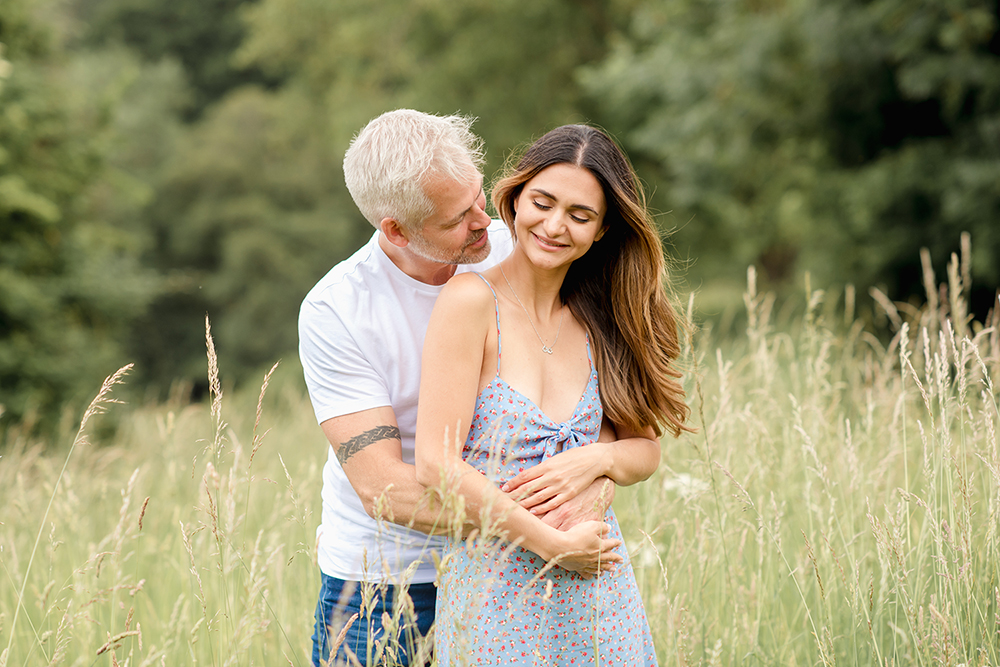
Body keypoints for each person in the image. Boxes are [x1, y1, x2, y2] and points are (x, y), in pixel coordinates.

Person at [299, 111, 627, 667]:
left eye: (479, 196)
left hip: (513, 575)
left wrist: (594, 470)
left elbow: (592, 394)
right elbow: (385, 490)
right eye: (458, 218)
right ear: (397, 229)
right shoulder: (338, 310)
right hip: (388, 589)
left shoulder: (519, 244)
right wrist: (544, 530)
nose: (484, 222)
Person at [414, 124, 691, 664]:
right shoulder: (471, 301)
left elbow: (645, 449)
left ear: (603, 230)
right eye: (542, 202)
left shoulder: (600, 317)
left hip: (599, 597)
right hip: (495, 599)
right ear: (515, 200)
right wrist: (550, 544)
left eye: (580, 215)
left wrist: (597, 459)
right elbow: (435, 463)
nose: (554, 225)